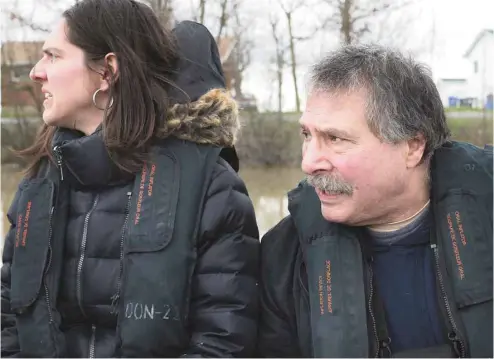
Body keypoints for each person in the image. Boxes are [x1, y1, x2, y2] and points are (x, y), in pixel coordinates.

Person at [1, 0, 260, 357]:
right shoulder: (40, 183)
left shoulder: (211, 187)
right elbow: (8, 320)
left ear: (107, 71)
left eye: (53, 56)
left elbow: (223, 341)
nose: (36, 72)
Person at [258, 44, 492, 358]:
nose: (309, 162)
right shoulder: (285, 257)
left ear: (413, 147)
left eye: (335, 139)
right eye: (306, 135)